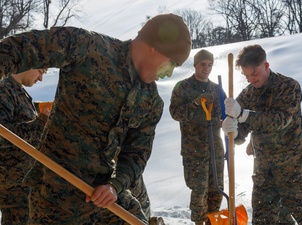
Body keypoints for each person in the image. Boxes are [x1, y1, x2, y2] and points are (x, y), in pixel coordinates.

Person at [0, 13, 191, 224]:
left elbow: (136, 154)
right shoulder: (88, 48)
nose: (168, 73)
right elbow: (22, 48)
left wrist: (115, 186)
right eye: (171, 63)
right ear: (155, 47)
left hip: (101, 198)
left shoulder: (151, 102)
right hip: (55, 196)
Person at [222, 44, 302, 225]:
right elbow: (240, 136)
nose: (251, 80)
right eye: (246, 76)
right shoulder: (248, 94)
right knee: (265, 221)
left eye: (254, 74)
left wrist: (243, 115)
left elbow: (279, 120)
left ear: (266, 65)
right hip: (264, 174)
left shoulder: (288, 87)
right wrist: (231, 129)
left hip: (294, 171)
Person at [169, 49, 225, 225]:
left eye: (210, 64)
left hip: (215, 149)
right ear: (195, 65)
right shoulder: (182, 87)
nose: (206, 68)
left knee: (217, 189)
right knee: (199, 191)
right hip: (194, 151)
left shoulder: (217, 90)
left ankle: (212, 222)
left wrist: (228, 119)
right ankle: (199, 223)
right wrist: (195, 103)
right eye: (203, 64)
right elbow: (175, 113)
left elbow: (226, 114)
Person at [0, 69, 50, 225]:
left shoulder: (18, 91)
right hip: (13, 186)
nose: (41, 79)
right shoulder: (4, 89)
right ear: (29, 63)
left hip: (23, 184)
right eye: (41, 71)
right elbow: (2, 134)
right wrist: (41, 123)